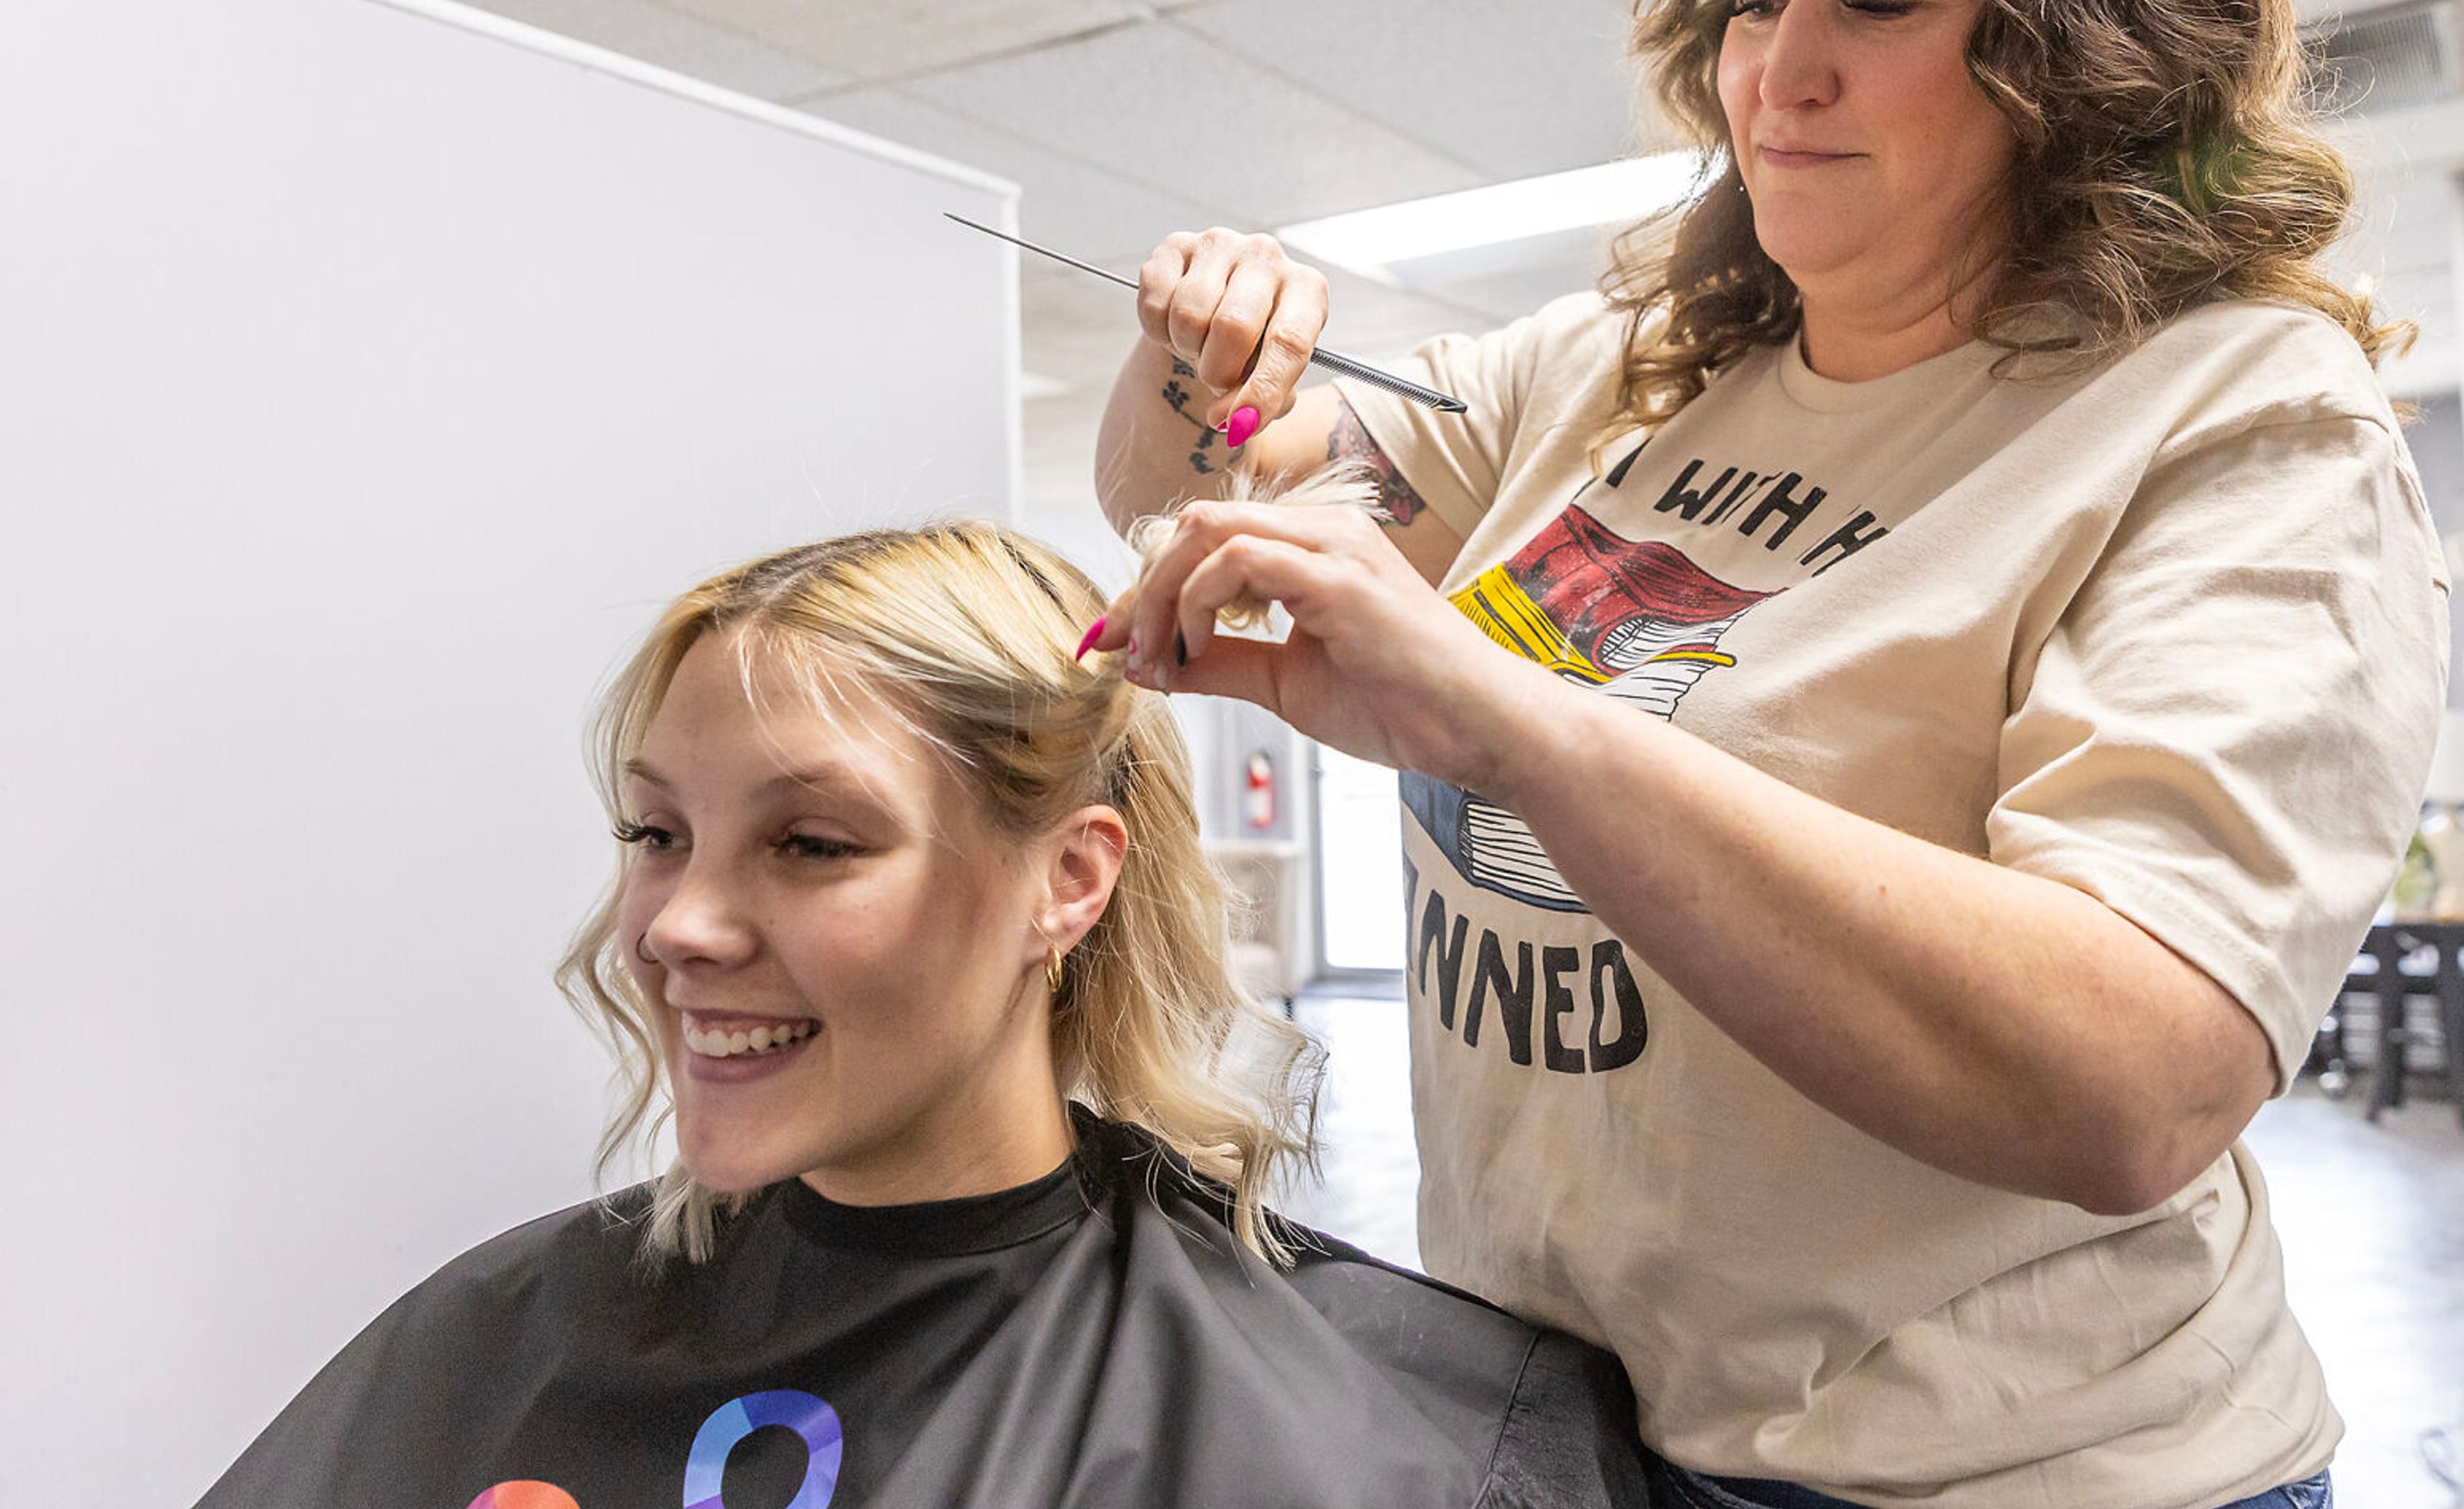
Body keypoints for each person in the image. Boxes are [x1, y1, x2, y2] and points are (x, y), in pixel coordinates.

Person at [1085, 0, 2446, 1509]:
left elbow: (2137, 1081)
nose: (1778, 73)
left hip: (1998, 1475)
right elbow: (1194, 500)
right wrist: (1201, 359)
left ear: (2085, 55)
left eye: (1877, 4)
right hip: (1563, 1418)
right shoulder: (1615, 367)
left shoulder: (2242, 414)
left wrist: (1508, 719)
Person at [200, 520, 1645, 1508]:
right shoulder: (494, 1342)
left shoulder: (1400, 1433)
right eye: (656, 835)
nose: (681, 927)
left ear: (1065, 883)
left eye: (812, 844)